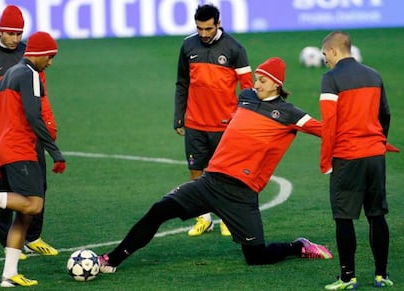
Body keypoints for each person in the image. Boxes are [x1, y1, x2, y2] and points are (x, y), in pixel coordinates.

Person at [98, 57, 333, 275]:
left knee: (257, 257)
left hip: (241, 194)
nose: (256, 84)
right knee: (159, 210)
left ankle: (297, 247)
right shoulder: (247, 97)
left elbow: (325, 130)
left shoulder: (290, 114)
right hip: (210, 182)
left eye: (262, 80)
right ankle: (111, 260)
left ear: (276, 84)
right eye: (256, 79)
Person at [0, 31, 66, 287]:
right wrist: (54, 150)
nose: (51, 63)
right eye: (50, 57)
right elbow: (35, 117)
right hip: (20, 149)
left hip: (4, 146)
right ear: (40, 54)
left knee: (23, 216)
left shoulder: (9, 75)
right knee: (33, 205)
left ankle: (8, 274)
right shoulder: (30, 74)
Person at [319, 31, 394, 290]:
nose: (324, 60)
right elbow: (385, 115)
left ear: (334, 51)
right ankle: (381, 275)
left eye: (325, 54)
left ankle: (347, 277)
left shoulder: (331, 79)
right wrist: (378, 142)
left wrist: (325, 159)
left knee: (344, 217)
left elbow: (330, 124)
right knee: (377, 215)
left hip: (347, 156)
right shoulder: (374, 75)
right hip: (375, 155)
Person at [173, 4, 253, 237]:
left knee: (225, 173)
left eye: (208, 28)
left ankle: (226, 218)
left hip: (225, 125)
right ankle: (203, 218)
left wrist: (244, 121)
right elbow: (182, 83)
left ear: (218, 24)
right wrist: (179, 117)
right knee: (196, 170)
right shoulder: (188, 45)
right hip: (195, 123)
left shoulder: (235, 48)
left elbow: (247, 88)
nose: (204, 34)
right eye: (200, 29)